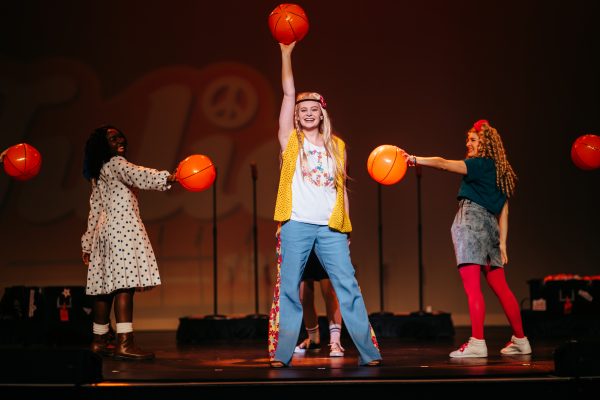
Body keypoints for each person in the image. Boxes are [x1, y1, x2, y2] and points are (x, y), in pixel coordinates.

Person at [268, 41, 381, 368]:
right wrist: (286, 54)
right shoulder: (291, 140)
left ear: (321, 113)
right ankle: (282, 354)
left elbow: (340, 188)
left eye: (313, 109)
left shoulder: (337, 145)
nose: (306, 112)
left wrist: (346, 225)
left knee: (347, 287)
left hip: (331, 227)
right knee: (292, 290)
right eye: (302, 109)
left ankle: (369, 352)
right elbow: (288, 94)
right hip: (296, 223)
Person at [403, 119, 532, 358]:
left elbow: (442, 164)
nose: (468, 143)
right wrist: (502, 242)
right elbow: (504, 212)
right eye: (468, 140)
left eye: (473, 140)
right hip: (490, 226)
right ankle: (521, 340)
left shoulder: (479, 164)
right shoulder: (501, 171)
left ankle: (477, 342)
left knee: (473, 288)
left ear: (485, 144)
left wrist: (414, 159)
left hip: (471, 222)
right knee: (501, 288)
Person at [81, 125, 176, 360]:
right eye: (112, 138)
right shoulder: (115, 163)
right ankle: (125, 342)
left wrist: (88, 243)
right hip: (121, 229)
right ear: (104, 145)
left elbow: (95, 210)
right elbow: (139, 174)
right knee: (124, 285)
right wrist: (169, 177)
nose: (120, 140)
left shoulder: (100, 171)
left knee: (104, 288)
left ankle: (99, 340)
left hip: (104, 232)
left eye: (120, 136)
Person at [293, 247, 345, 357]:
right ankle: (313, 340)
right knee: (303, 294)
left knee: (328, 290)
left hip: (322, 240)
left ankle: (335, 341)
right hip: (304, 242)